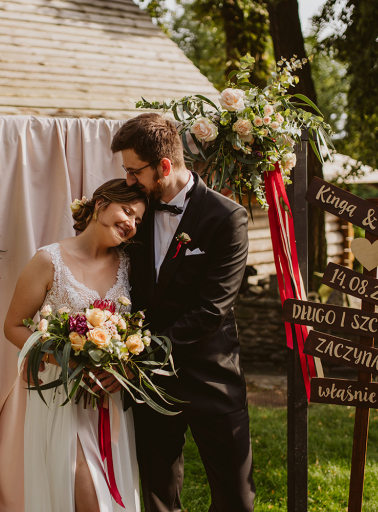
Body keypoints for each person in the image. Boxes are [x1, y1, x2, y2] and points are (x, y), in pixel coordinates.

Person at [111, 113, 255, 512]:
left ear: (164, 166)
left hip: (211, 376)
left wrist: (143, 351)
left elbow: (212, 308)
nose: (129, 181)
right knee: (158, 496)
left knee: (235, 499)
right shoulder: (133, 213)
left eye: (134, 171)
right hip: (151, 384)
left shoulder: (227, 217)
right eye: (126, 171)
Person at [3, 179, 147, 512]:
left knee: (108, 493)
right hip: (63, 394)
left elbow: (140, 329)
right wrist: (68, 360)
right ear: (101, 205)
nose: (131, 223)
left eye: (138, 220)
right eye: (127, 211)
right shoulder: (48, 260)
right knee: (84, 493)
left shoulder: (130, 264)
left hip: (110, 396)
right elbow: (13, 326)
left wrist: (124, 368)